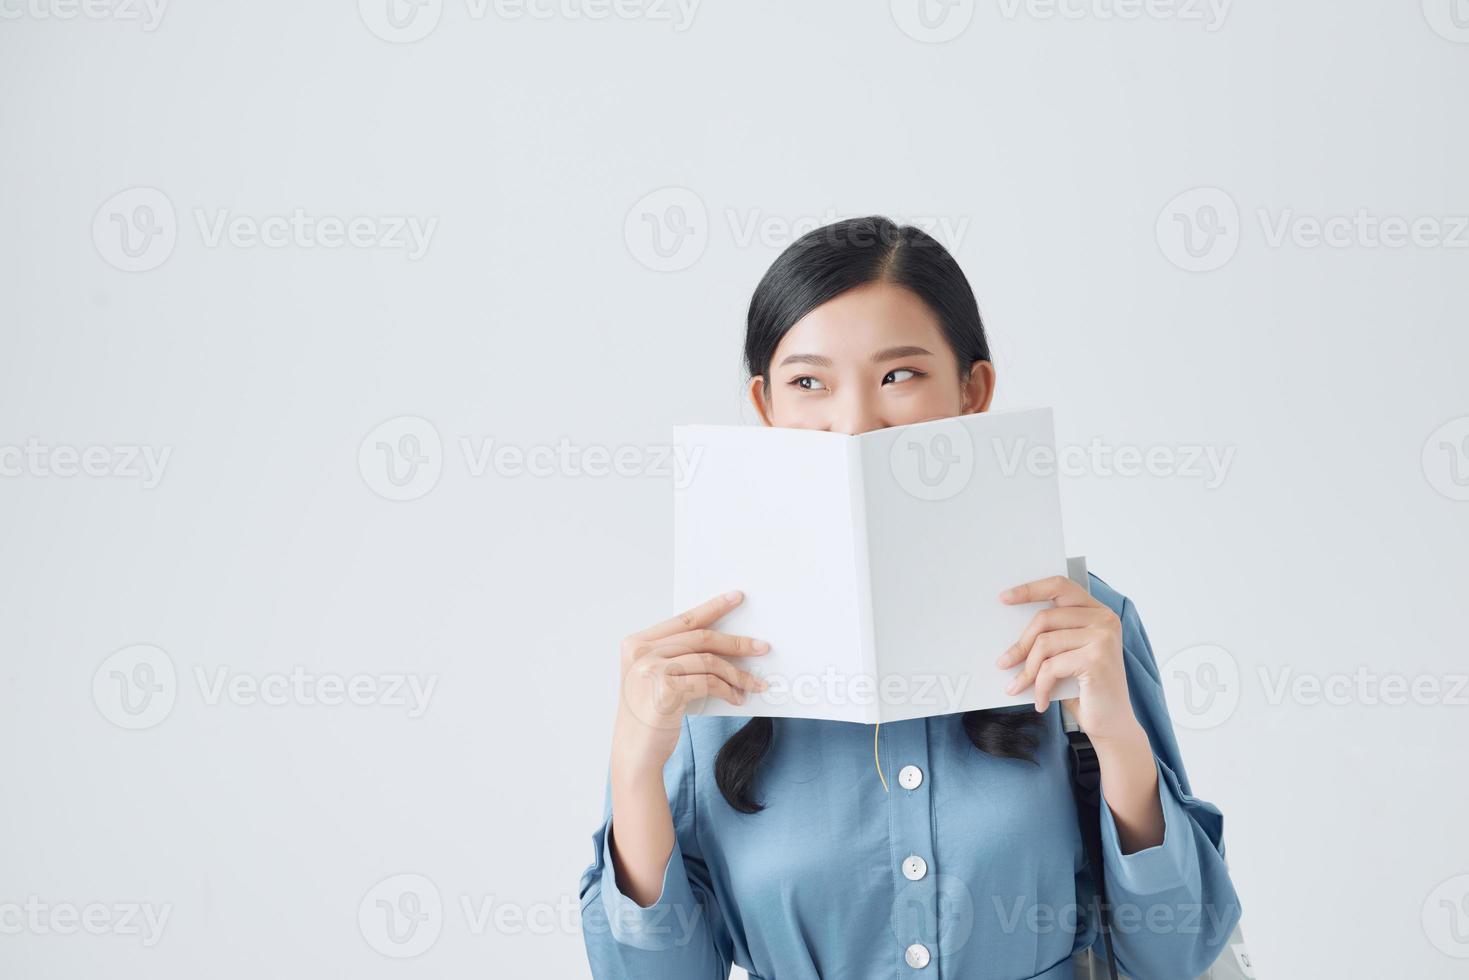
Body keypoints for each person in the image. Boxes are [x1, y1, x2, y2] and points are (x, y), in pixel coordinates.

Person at [578, 215, 1242, 979]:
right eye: (807, 383)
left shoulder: (1080, 622)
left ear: (973, 390)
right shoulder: (699, 661)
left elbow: (1176, 952)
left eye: (898, 376)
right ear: (765, 408)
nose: (856, 424)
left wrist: (1118, 737)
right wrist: (634, 764)